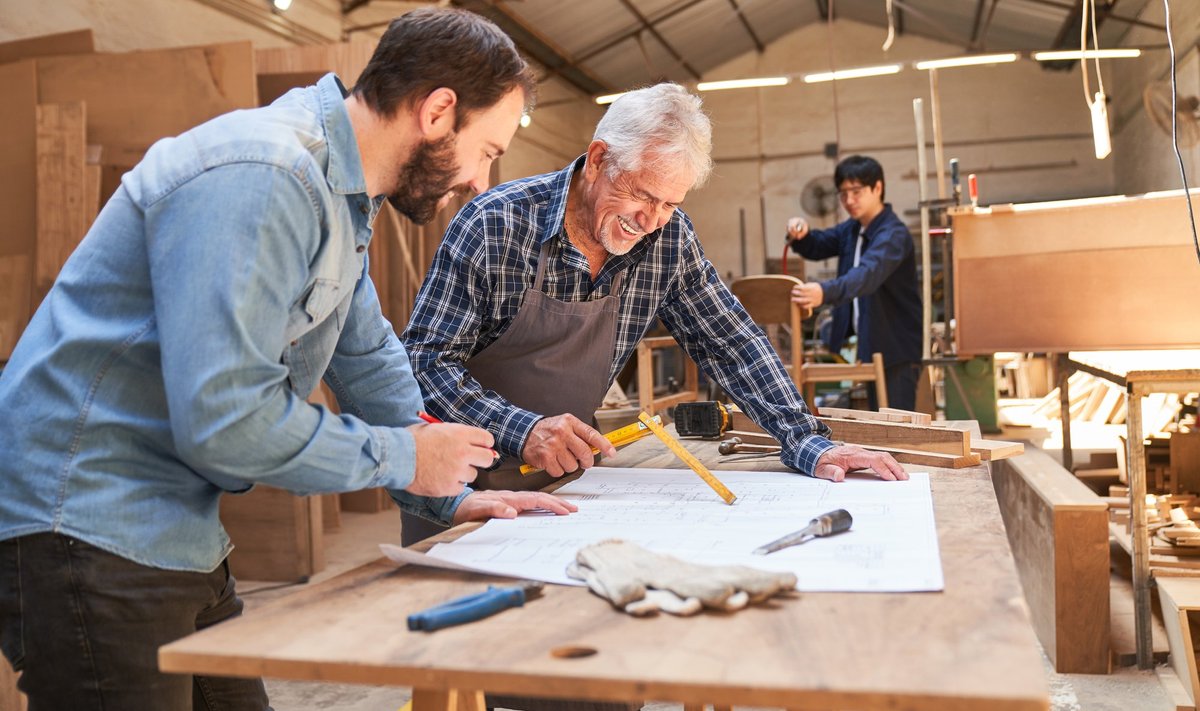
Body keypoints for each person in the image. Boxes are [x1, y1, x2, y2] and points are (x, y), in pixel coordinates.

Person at [0, 9, 576, 709]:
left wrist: (448, 492)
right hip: (83, 521)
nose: (482, 183)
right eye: (486, 150)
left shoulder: (341, 196)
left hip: (174, 530)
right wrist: (404, 457)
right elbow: (227, 419)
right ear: (438, 111)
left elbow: (366, 355)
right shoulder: (266, 174)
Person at [401, 83, 908, 547]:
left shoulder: (667, 237)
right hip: (457, 486)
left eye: (670, 202)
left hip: (569, 485)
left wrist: (806, 441)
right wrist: (523, 430)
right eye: (643, 195)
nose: (650, 220)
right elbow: (424, 362)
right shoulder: (497, 224)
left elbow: (731, 342)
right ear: (598, 159)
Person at [786, 155, 923, 410]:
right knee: (878, 423)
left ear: (878, 188)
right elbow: (818, 244)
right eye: (843, 193)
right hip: (872, 347)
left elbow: (865, 277)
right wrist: (801, 234)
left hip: (896, 348)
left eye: (856, 192)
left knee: (898, 428)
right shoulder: (852, 229)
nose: (849, 201)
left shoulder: (893, 234)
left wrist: (823, 292)